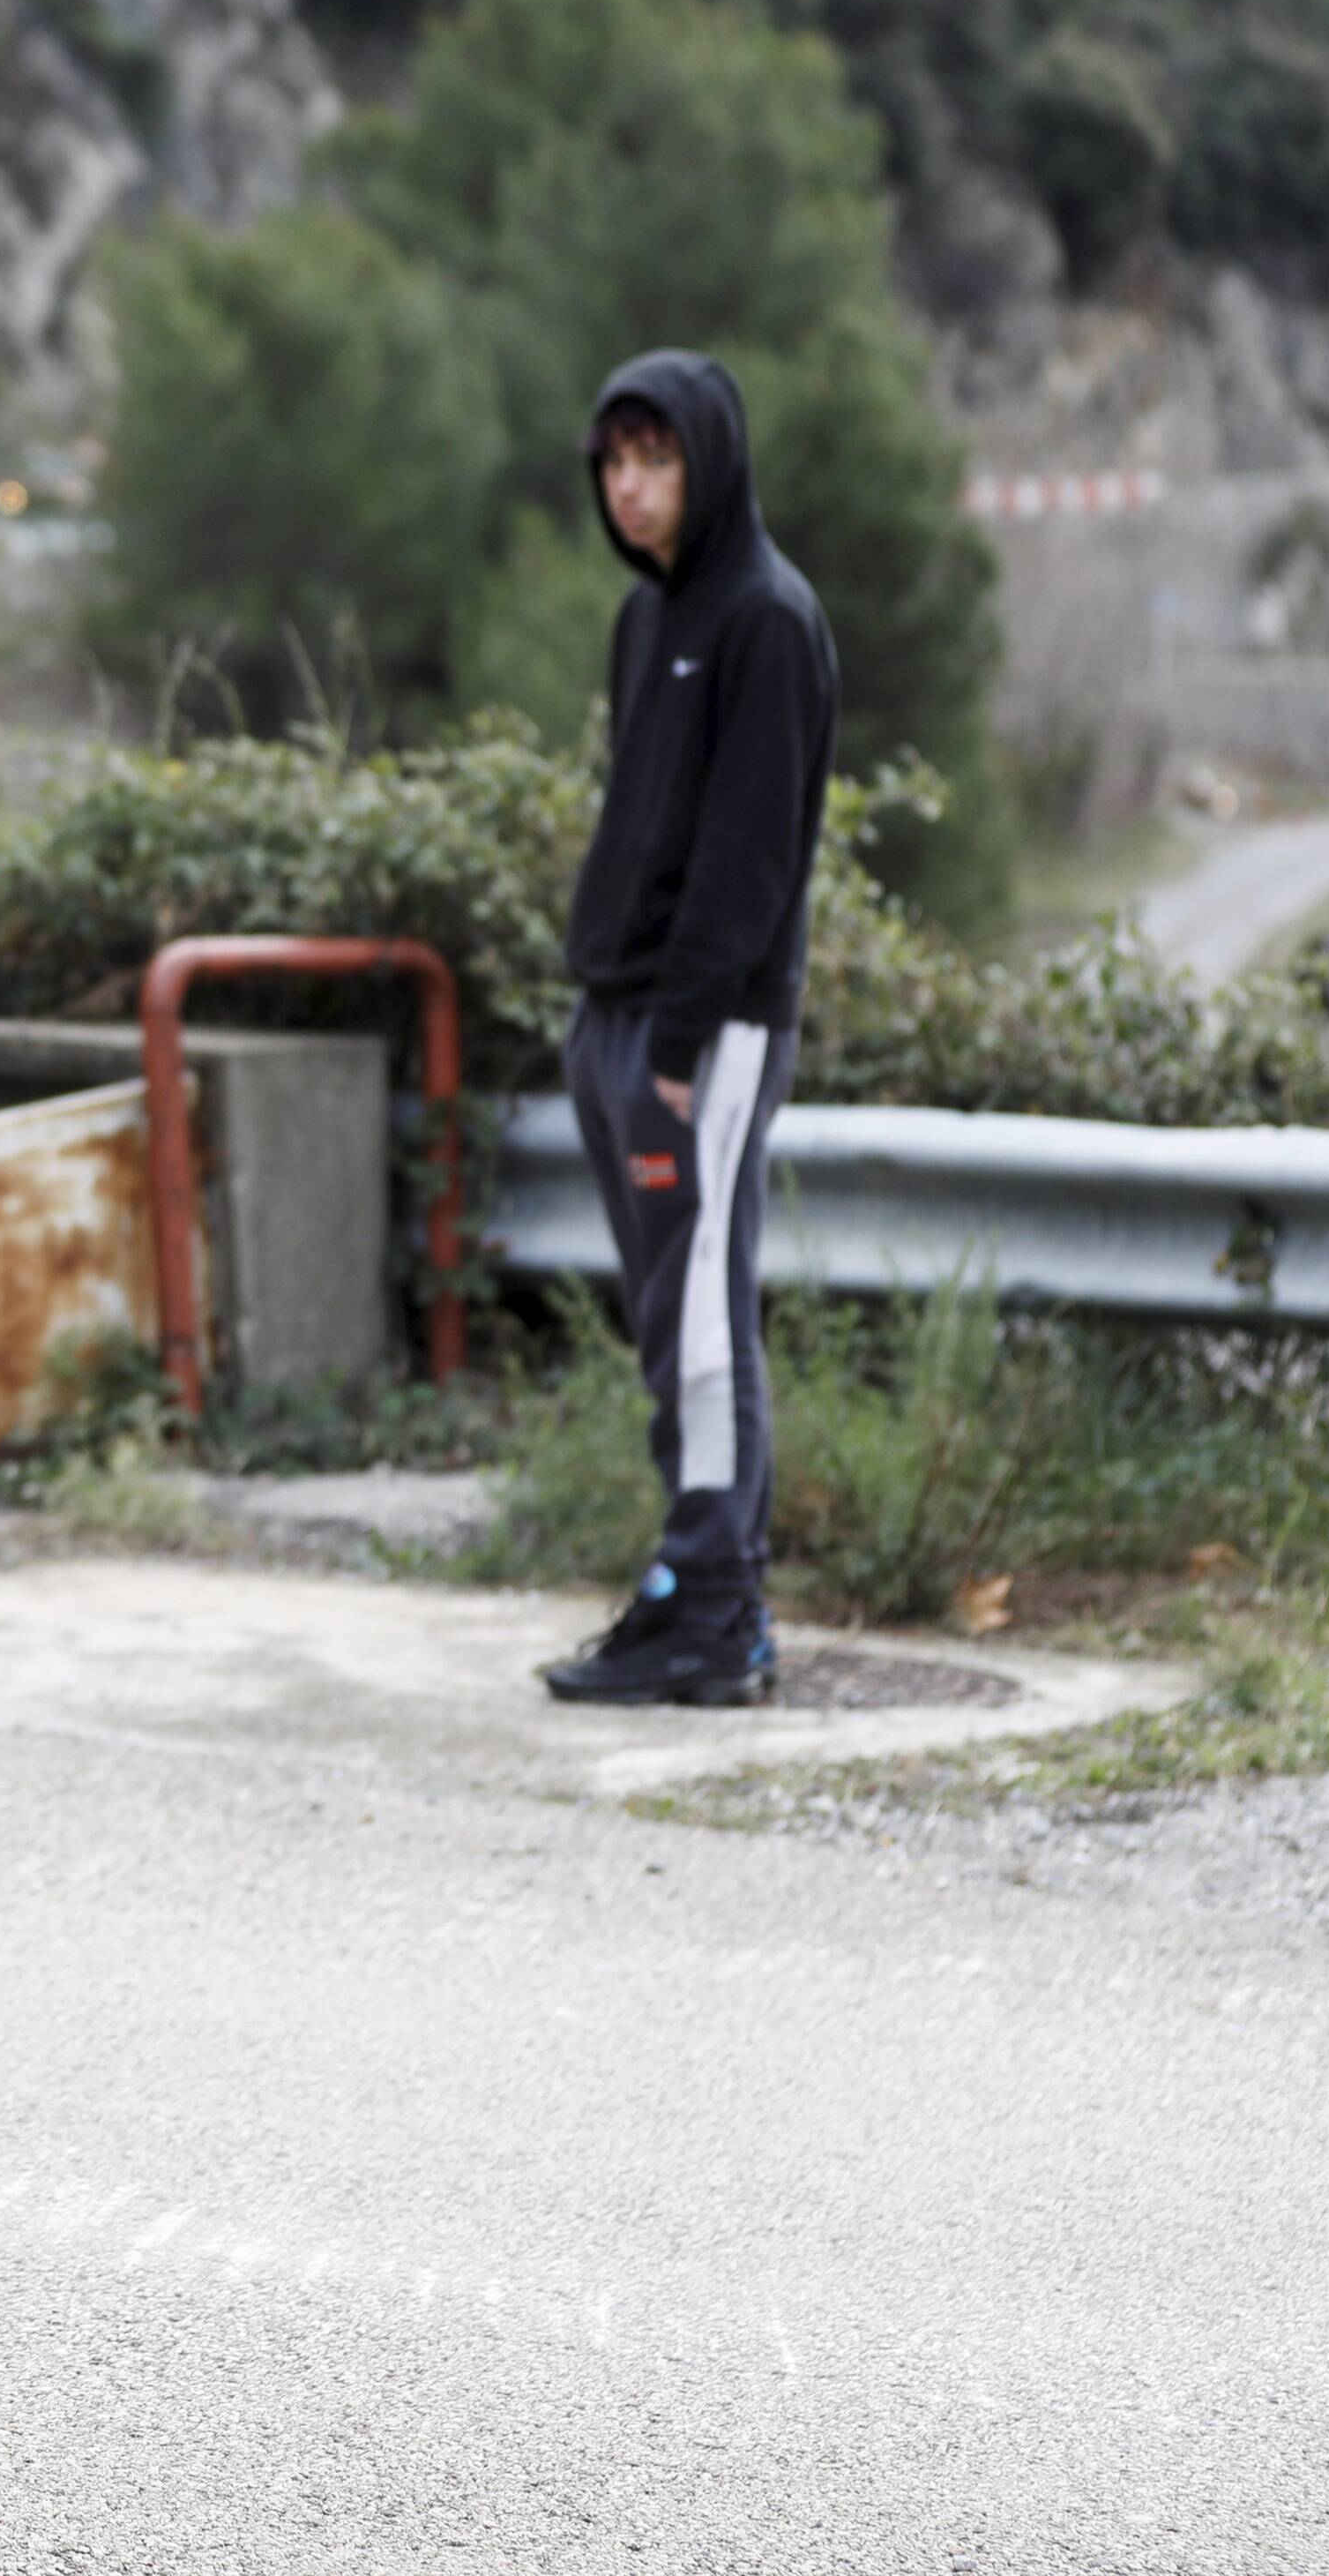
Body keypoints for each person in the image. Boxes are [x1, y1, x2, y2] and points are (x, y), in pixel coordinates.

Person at [536, 350, 839, 1709]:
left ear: (708, 463)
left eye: (655, 458)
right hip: (618, 1019)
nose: (631, 486)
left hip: (699, 1036)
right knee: (667, 1317)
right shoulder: (645, 615)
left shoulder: (768, 619)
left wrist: (671, 1042)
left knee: (704, 1311)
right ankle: (693, 1583)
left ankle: (715, 1605)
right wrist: (605, 1026)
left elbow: (750, 863)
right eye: (614, 461)